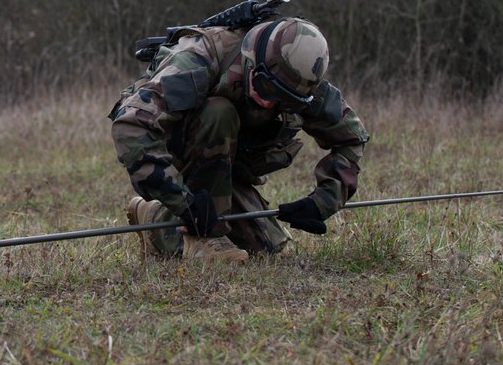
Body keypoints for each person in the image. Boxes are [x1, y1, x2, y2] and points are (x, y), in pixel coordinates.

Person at [110, 14, 370, 263]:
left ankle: (155, 218)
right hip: (177, 151)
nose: (269, 102)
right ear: (252, 61)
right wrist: (181, 200)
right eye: (266, 87)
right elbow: (131, 126)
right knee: (218, 112)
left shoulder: (300, 82)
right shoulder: (199, 58)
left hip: (229, 167)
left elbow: (350, 138)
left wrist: (323, 202)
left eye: (284, 100)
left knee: (264, 247)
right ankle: (201, 239)